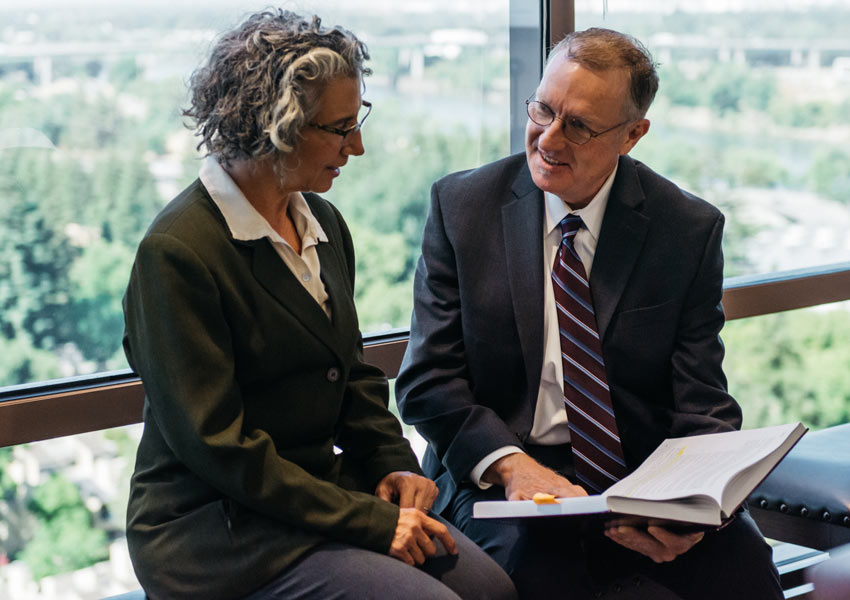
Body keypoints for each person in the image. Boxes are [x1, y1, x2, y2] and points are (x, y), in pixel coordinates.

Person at [121, 10, 516, 600]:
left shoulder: (322, 222)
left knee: (493, 589)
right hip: (219, 531)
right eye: (339, 128)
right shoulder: (178, 253)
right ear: (274, 127)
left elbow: (352, 374)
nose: (356, 146)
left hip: (312, 499)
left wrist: (393, 464)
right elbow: (218, 448)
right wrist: (372, 522)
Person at [396, 28, 782, 600]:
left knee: (745, 567)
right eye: (542, 109)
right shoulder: (462, 207)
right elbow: (428, 381)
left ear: (632, 135)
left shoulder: (687, 229)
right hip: (503, 478)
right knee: (540, 576)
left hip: (640, 481)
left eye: (577, 125)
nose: (548, 137)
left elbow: (703, 403)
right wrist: (510, 466)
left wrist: (689, 511)